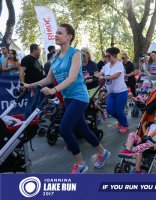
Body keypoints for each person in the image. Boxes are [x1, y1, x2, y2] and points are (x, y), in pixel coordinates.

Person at [21, 24, 110, 174]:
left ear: (69, 37)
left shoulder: (75, 53)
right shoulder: (55, 57)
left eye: (60, 33)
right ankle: (103, 152)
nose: (56, 35)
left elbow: (72, 77)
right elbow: (48, 79)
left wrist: (54, 90)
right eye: (56, 33)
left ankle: (80, 164)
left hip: (79, 97)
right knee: (83, 128)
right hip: (67, 98)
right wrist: (30, 85)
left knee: (64, 128)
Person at [117, 107, 156, 173]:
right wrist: (143, 126)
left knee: (138, 148)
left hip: (152, 144)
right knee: (132, 134)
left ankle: (137, 170)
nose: (155, 117)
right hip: (145, 140)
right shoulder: (152, 125)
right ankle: (128, 151)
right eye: (155, 115)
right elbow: (146, 134)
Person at [96, 47, 129, 133]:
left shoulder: (119, 64)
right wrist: (93, 76)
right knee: (110, 109)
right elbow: (99, 73)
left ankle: (125, 125)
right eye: (105, 56)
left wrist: (104, 77)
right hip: (112, 93)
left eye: (108, 56)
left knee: (119, 111)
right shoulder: (106, 66)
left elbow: (115, 76)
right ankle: (120, 120)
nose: (106, 58)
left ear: (114, 55)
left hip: (121, 92)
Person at [19, 44, 45, 119]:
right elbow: (21, 71)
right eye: (39, 50)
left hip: (40, 86)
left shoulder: (38, 60)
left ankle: (35, 121)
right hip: (31, 86)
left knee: (39, 104)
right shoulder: (26, 59)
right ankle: (27, 122)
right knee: (31, 103)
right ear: (35, 50)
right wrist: (22, 84)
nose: (40, 52)